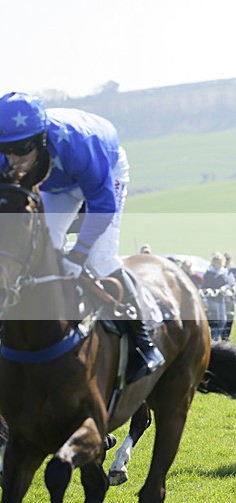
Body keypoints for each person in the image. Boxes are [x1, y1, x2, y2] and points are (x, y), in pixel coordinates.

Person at [0, 91, 163, 383]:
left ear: (41, 139)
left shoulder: (79, 146)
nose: (13, 159)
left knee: (100, 258)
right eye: (5, 149)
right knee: (41, 249)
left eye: (21, 149)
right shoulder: (10, 157)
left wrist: (78, 255)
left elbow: (102, 206)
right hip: (55, 183)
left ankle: (143, 339)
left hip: (104, 170)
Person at [202, 252, 229, 341]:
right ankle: (214, 339)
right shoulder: (209, 273)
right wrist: (205, 298)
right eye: (217, 262)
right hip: (212, 299)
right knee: (215, 321)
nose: (218, 264)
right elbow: (204, 286)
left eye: (220, 262)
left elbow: (228, 284)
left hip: (221, 299)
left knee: (223, 320)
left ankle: (215, 337)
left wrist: (224, 288)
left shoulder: (224, 272)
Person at [221, 252, 236, 341]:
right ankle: (223, 336)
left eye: (228, 259)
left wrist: (233, 286)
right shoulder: (221, 269)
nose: (226, 261)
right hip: (221, 297)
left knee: (230, 317)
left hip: (231, 296)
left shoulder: (233, 270)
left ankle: (226, 336)